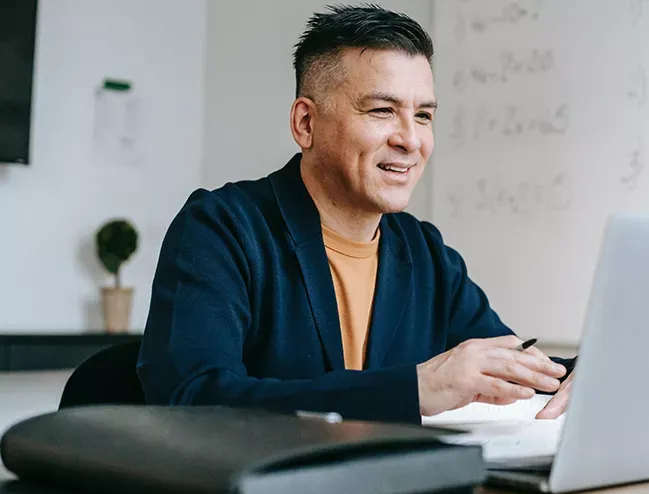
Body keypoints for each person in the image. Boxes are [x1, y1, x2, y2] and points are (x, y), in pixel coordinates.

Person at [137, 4, 575, 424]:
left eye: (423, 115)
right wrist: (414, 389)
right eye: (383, 110)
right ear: (306, 124)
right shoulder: (221, 228)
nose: (411, 140)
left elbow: (512, 366)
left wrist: (580, 375)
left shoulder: (425, 252)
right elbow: (191, 400)